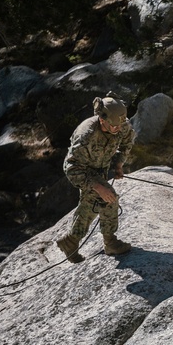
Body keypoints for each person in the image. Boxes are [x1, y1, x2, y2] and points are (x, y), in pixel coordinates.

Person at [56, 93, 136, 263]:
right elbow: (71, 168)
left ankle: (70, 241)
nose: (117, 129)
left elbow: (127, 141)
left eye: (120, 125)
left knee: (90, 204)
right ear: (102, 119)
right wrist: (98, 186)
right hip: (83, 171)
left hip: (102, 169)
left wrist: (119, 164)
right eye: (113, 126)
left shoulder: (121, 123)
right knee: (109, 197)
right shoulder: (86, 135)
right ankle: (110, 242)